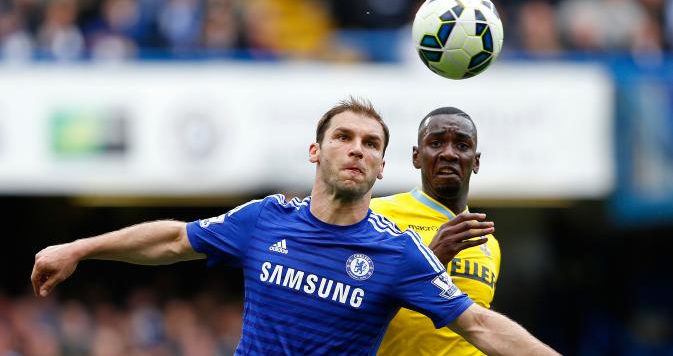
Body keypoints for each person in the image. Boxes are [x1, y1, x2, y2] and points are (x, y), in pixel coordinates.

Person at [31, 97, 559, 356]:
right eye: (344, 137)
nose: (356, 148)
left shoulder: (399, 253)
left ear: (382, 166)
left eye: (371, 144)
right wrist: (80, 247)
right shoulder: (264, 219)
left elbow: (481, 326)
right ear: (316, 150)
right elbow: (173, 239)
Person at [372, 107, 500, 355]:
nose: (449, 154)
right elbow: (352, 305)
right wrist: (429, 260)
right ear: (416, 156)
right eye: (436, 142)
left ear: (476, 161)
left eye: (462, 145)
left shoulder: (489, 243)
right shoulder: (377, 216)